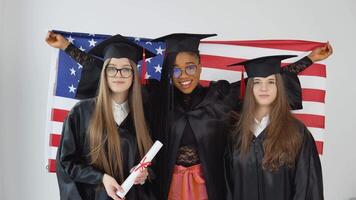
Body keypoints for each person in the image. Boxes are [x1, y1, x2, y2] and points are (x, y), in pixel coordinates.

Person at [46, 31, 332, 200]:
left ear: (201, 66)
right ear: (168, 70)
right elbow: (116, 75)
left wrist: (307, 61)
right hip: (164, 187)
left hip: (211, 187)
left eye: (191, 67)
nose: (184, 75)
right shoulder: (154, 98)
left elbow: (264, 83)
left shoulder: (220, 97)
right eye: (177, 69)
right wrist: (69, 49)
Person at [52, 34, 156, 200]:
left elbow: (155, 163)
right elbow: (67, 163)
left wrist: (145, 174)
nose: (118, 74)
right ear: (104, 73)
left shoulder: (145, 115)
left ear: (134, 74)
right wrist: (101, 178)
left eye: (126, 69)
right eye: (112, 68)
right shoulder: (81, 113)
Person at [224, 55, 324, 200]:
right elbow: (228, 188)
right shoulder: (235, 135)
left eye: (271, 82)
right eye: (257, 82)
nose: (264, 88)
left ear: (279, 87)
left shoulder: (297, 132)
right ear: (250, 87)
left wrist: (310, 58)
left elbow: (307, 187)